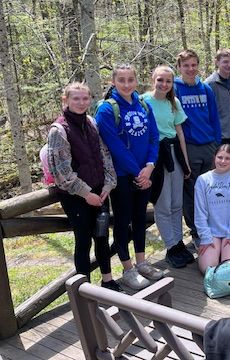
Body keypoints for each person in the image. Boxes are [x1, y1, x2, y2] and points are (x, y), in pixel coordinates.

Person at [95, 64, 164, 290]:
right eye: (121, 80)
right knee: (123, 222)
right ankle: (128, 269)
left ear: (136, 80)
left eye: (130, 79)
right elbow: (116, 148)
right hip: (123, 176)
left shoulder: (143, 105)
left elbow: (154, 136)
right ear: (113, 81)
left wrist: (150, 166)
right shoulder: (107, 110)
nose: (126, 84)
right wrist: (138, 172)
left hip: (145, 172)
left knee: (140, 219)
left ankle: (142, 262)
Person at [46, 82, 120, 291]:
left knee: (102, 236)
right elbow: (60, 171)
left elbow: (104, 155)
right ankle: (84, 289)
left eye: (84, 98)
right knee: (84, 241)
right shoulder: (59, 130)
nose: (80, 103)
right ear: (66, 100)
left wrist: (108, 184)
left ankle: (107, 280)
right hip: (76, 196)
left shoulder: (91, 122)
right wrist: (86, 194)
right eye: (75, 99)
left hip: (100, 191)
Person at [142, 66, 192, 269]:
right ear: (153, 79)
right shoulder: (144, 101)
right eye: (160, 80)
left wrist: (185, 162)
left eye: (168, 81)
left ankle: (179, 243)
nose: (164, 84)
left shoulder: (174, 102)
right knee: (163, 204)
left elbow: (179, 133)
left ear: (172, 83)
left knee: (176, 203)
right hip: (156, 155)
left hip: (174, 153)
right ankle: (170, 246)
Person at [174, 49, 221, 248]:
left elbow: (214, 118)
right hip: (190, 147)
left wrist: (217, 144)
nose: (191, 69)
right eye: (186, 66)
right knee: (192, 192)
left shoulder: (206, 89)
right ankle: (196, 231)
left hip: (209, 145)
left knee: (211, 191)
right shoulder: (174, 90)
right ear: (179, 68)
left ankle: (213, 227)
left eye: (194, 65)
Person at [194, 144, 230, 274]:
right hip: (212, 232)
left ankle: (225, 252)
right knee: (208, 270)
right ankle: (215, 252)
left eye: (227, 158)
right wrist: (205, 237)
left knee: (229, 270)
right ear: (214, 158)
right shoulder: (203, 180)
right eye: (220, 157)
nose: (223, 161)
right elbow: (200, 212)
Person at [205, 48, 230, 166]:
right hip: (219, 135)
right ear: (217, 62)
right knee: (221, 168)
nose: (229, 65)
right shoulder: (209, 84)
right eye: (225, 62)